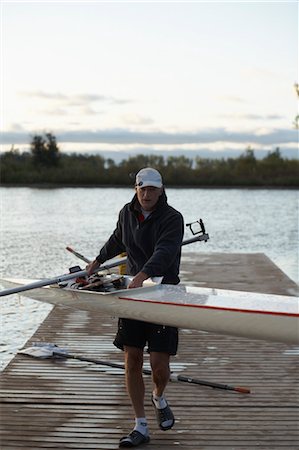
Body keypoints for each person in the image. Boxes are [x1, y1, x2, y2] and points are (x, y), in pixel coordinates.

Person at [87, 167, 184, 448]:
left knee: (159, 367)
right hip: (132, 293)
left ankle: (158, 396)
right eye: (142, 189)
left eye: (152, 189)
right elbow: (117, 238)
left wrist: (143, 275)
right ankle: (140, 425)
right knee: (131, 359)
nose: (147, 194)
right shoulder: (126, 212)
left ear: (161, 190)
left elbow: (165, 252)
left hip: (164, 292)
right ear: (136, 189)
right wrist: (97, 260)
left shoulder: (173, 218)